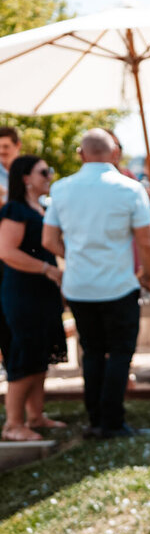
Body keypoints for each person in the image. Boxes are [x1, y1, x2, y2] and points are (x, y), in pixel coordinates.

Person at [42, 129, 150, 438]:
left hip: (79, 285)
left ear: (81, 154)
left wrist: (74, 255)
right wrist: (149, 274)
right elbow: (147, 241)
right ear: (114, 154)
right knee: (120, 352)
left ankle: (95, 419)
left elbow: (48, 240)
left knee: (91, 352)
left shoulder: (61, 188)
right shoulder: (130, 189)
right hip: (118, 283)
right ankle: (113, 421)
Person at [0, 156, 67, 441]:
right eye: (44, 171)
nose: (49, 175)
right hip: (22, 292)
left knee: (40, 354)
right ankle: (13, 425)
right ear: (26, 177)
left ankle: (36, 416)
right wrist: (47, 268)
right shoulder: (14, 210)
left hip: (43, 291)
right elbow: (6, 251)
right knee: (24, 355)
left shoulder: (41, 208)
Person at [0, 125, 21, 374]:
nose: (1, 153)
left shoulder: (28, 171)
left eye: (5, 147)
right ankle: (11, 365)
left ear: (17, 146)